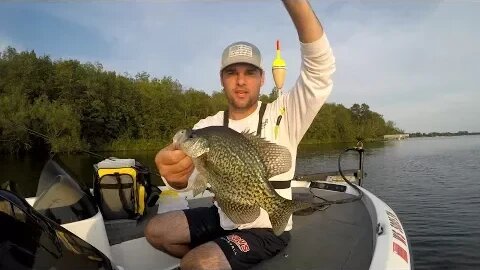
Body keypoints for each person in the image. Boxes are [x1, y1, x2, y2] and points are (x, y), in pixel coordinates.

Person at [144, 0, 336, 269]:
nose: (241, 81)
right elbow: (188, 183)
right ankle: (225, 256)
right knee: (155, 231)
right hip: (223, 215)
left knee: (197, 262)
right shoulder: (207, 125)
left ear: (262, 79)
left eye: (250, 72)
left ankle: (218, 256)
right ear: (222, 79)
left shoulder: (286, 114)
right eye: (232, 73)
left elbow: (320, 70)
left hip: (264, 229)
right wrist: (173, 176)